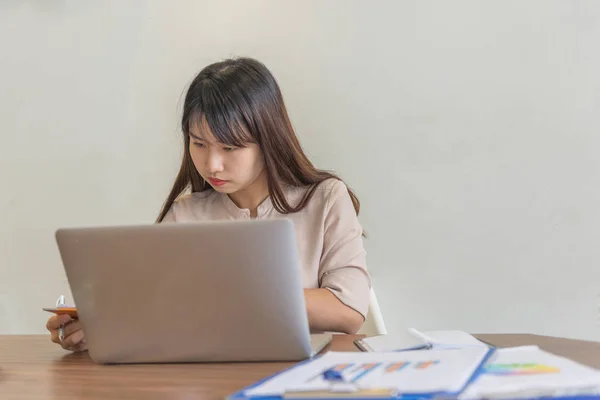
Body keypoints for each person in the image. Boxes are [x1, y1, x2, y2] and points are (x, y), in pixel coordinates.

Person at [46, 57, 371, 352]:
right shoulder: (186, 214)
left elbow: (347, 312)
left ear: (268, 139)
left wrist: (222, 298)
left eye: (229, 148)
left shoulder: (326, 198)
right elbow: (152, 311)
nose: (212, 164)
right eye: (198, 143)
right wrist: (97, 326)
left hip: (302, 379)